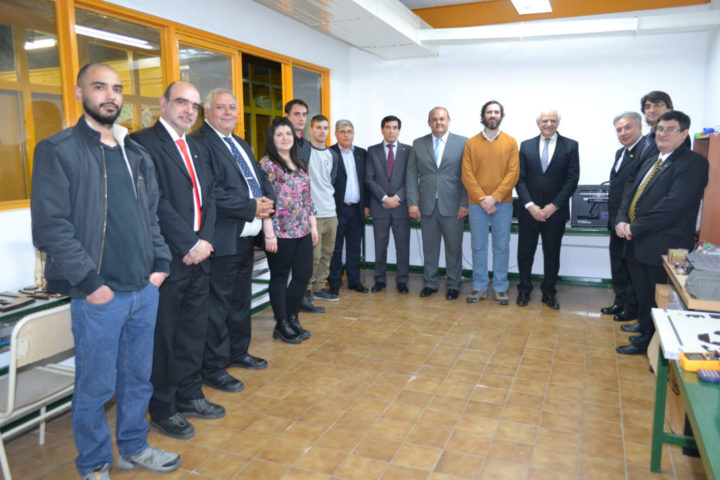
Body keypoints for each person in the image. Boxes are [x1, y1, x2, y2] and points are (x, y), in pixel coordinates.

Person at [31, 63, 180, 479]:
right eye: (100, 87)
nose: (110, 96)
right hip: (98, 295)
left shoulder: (136, 154)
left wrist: (161, 264)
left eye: (116, 89)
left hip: (144, 288)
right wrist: (91, 283)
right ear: (80, 94)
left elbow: (150, 217)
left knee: (138, 380)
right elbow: (50, 227)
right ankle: (94, 462)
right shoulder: (58, 150)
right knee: (95, 388)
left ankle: (133, 447)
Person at [131, 81, 223, 440]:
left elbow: (209, 198)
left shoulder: (196, 147)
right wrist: (189, 242)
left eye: (195, 106)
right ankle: (164, 408)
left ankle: (189, 395)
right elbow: (154, 202)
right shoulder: (142, 143)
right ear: (163, 103)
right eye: (182, 102)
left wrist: (207, 241)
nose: (188, 110)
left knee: (192, 332)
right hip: (168, 259)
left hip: (201, 256)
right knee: (164, 339)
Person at [189, 88, 274, 394]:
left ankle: (238, 352)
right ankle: (213, 367)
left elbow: (259, 180)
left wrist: (267, 201)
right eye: (221, 107)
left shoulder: (239, 143)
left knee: (240, 300)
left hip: (244, 239)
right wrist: (252, 207)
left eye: (233, 108)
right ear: (206, 112)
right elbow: (210, 193)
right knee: (217, 306)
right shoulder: (200, 143)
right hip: (221, 238)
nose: (228, 112)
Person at [614, 111, 708, 355]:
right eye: (660, 129)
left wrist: (634, 227)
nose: (663, 134)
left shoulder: (693, 163)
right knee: (643, 292)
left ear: (685, 133)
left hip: (662, 244)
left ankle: (651, 343)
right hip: (636, 241)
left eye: (671, 129)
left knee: (658, 295)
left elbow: (673, 206)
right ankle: (645, 330)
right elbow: (631, 192)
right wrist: (622, 219)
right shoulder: (653, 159)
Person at [261, 117, 318, 343]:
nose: (285, 138)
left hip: (303, 229)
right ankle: (281, 323)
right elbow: (264, 201)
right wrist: (268, 233)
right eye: (280, 134)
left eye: (288, 134)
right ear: (272, 139)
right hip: (279, 231)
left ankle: (292, 317)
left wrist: (313, 225)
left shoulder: (300, 162)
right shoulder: (266, 165)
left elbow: (307, 197)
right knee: (280, 277)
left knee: (303, 275)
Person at [516, 110, 579, 309]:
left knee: (552, 253)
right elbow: (520, 178)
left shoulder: (571, 146)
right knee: (525, 253)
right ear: (538, 123)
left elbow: (572, 179)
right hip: (529, 211)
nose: (549, 124)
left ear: (558, 122)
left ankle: (549, 293)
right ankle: (524, 290)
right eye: (545, 120)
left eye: (553, 120)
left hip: (556, 212)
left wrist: (554, 205)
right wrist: (530, 206)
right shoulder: (525, 146)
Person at [406, 107, 468, 300]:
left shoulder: (464, 143)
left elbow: (468, 176)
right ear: (429, 122)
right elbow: (411, 175)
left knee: (453, 248)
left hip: (453, 206)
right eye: (434, 119)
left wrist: (464, 203)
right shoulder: (418, 144)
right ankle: (431, 283)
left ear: (449, 120)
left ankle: (453, 284)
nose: (438, 122)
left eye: (442, 119)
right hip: (426, 206)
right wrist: (412, 203)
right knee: (429, 247)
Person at [461, 101, 519, 305]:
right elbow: (467, 175)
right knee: (478, 246)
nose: (492, 115)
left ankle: (501, 288)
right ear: (483, 116)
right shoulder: (471, 143)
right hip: (476, 204)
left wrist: (494, 198)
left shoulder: (511, 143)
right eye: (489, 112)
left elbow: (513, 174)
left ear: (501, 115)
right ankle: (479, 287)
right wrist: (483, 199)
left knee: (501, 246)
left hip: (503, 204)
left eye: (496, 112)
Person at [601, 112, 643, 321]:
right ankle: (619, 302)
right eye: (619, 129)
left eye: (627, 127)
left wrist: (624, 218)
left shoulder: (645, 152)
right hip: (615, 219)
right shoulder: (621, 153)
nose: (623, 133)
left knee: (629, 265)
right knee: (617, 262)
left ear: (640, 127)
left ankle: (630, 307)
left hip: (629, 221)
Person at [285, 98, 324, 313]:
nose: (301, 118)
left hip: (303, 210)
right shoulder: (281, 141)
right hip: (285, 213)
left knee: (303, 265)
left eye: (304, 114)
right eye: (297, 114)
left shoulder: (306, 145)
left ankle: (301, 299)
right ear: (288, 116)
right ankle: (289, 308)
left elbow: (304, 179)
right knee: (287, 267)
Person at [366, 115, 412, 294]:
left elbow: (411, 178)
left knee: (402, 247)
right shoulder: (372, 151)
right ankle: (380, 280)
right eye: (388, 127)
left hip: (401, 207)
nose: (391, 131)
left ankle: (402, 280)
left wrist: (397, 198)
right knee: (380, 245)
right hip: (380, 207)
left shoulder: (409, 151)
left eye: (395, 127)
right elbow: (369, 179)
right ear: (382, 129)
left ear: (399, 130)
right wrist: (384, 198)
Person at [328, 119, 369, 294]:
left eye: (349, 131)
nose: (346, 135)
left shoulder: (362, 153)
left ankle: (354, 281)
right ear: (336, 134)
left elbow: (366, 182)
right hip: (337, 209)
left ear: (354, 134)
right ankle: (335, 283)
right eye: (342, 131)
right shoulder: (329, 153)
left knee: (354, 247)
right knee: (335, 249)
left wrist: (367, 205)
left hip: (357, 208)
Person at [307, 114, 339, 301]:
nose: (322, 131)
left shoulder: (332, 155)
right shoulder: (304, 152)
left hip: (331, 211)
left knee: (327, 254)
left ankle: (319, 287)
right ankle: (306, 290)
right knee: (314, 256)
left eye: (325, 128)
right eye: (318, 127)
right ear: (311, 130)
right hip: (313, 214)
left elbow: (331, 181)